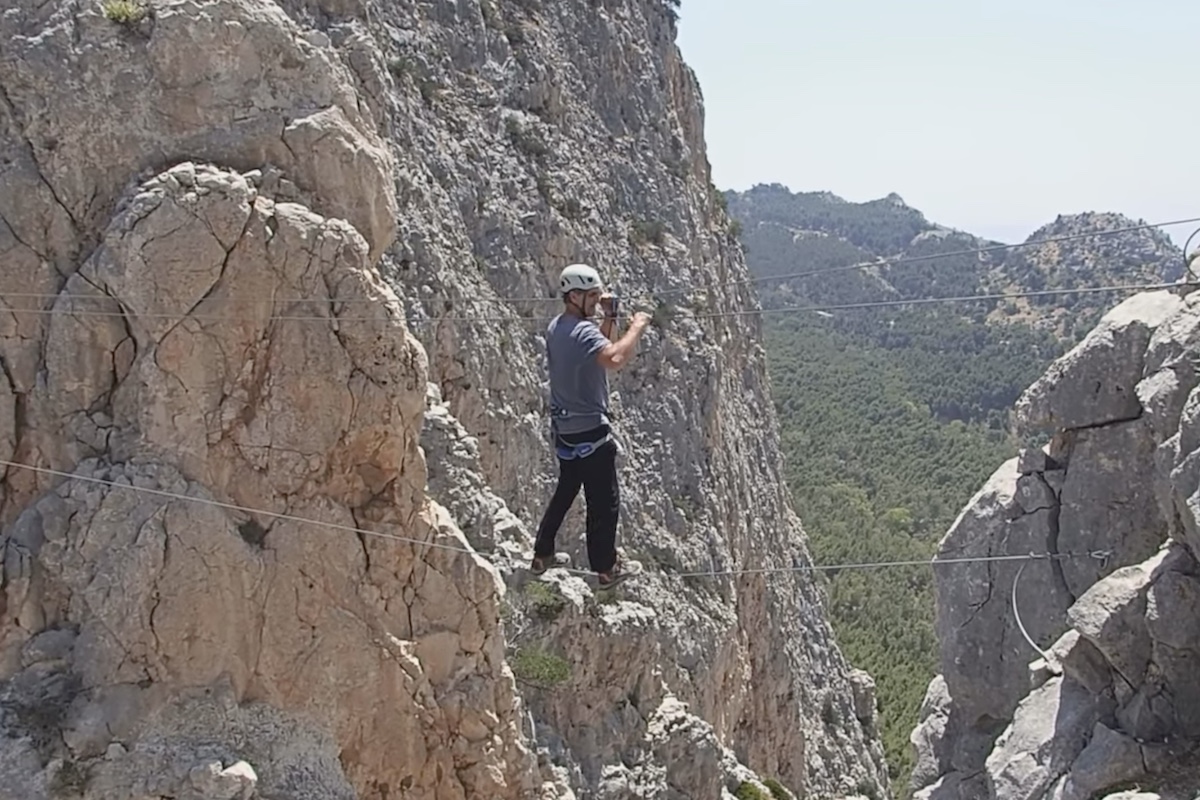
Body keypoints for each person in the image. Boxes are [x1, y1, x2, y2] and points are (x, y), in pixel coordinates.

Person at [530, 263, 652, 587]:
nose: (598, 302)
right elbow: (613, 359)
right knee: (604, 501)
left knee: (566, 489)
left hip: (565, 431)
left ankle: (542, 551)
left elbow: (597, 347)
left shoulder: (559, 327)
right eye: (593, 296)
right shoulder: (582, 332)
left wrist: (609, 318)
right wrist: (636, 326)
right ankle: (606, 568)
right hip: (591, 431)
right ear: (574, 296)